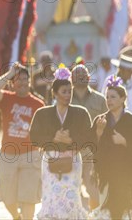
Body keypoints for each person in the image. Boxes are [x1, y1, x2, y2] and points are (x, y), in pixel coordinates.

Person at [29, 65, 91, 220]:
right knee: (51, 197)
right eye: (64, 91)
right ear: (55, 93)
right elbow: (34, 137)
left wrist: (72, 141)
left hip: (73, 159)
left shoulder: (80, 113)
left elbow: (88, 137)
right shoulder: (42, 113)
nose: (68, 95)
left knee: (72, 197)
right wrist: (53, 138)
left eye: (70, 91)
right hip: (51, 159)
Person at [0, 62, 44, 220]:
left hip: (30, 155)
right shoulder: (6, 98)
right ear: (12, 83)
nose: (22, 82)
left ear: (29, 82)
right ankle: (16, 217)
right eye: (18, 79)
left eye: (25, 79)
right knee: (7, 197)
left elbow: (43, 131)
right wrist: (9, 73)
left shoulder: (38, 104)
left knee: (28, 198)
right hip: (8, 155)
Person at [89, 75, 132, 220]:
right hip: (105, 172)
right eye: (107, 97)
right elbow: (91, 147)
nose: (109, 100)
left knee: (124, 210)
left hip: (126, 173)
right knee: (107, 209)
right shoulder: (100, 120)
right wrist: (98, 133)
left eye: (113, 97)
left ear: (123, 99)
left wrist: (125, 142)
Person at [70, 64, 108, 210]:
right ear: (71, 79)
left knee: (91, 184)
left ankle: (99, 212)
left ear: (89, 78)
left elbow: (109, 124)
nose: (80, 76)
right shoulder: (64, 98)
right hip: (70, 150)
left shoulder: (100, 100)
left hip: (92, 150)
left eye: (83, 74)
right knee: (71, 187)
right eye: (76, 74)